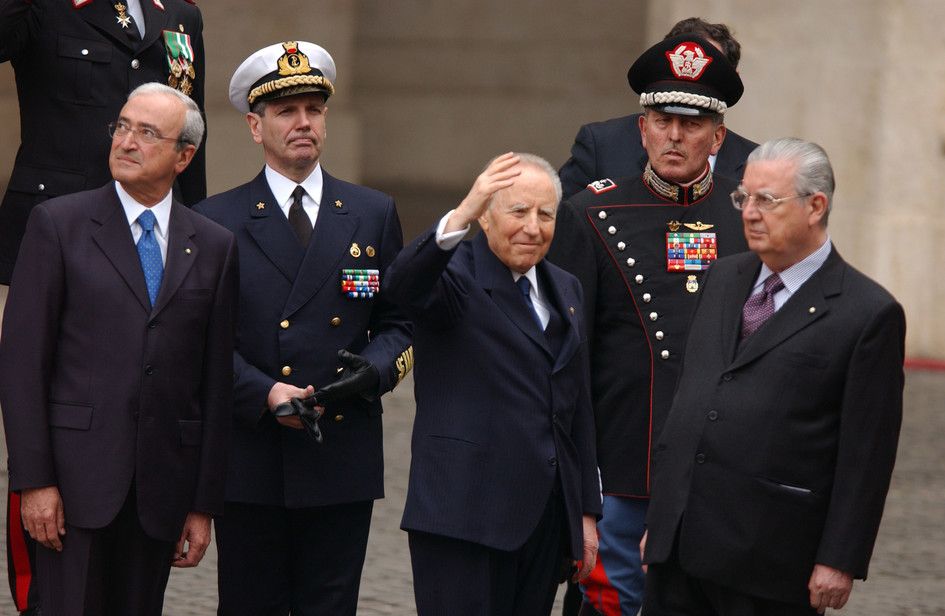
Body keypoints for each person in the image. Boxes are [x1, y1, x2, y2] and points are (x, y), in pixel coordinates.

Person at [0, 82, 236, 616]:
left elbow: (215, 383)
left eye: (147, 132)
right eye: (122, 126)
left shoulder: (215, 247)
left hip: (160, 493)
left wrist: (202, 505)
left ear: (184, 156)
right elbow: (21, 364)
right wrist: (34, 482)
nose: (126, 141)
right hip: (73, 488)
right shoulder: (58, 225)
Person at [641, 138, 905, 615]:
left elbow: (866, 454)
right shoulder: (722, 279)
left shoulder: (867, 314)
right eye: (744, 198)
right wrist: (662, 520)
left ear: (815, 206)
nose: (749, 212)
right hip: (679, 549)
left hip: (771, 560)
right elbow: (691, 400)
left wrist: (839, 559)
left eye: (767, 200)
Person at [193, 41, 412, 615]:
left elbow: (400, 320)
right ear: (254, 126)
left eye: (314, 109)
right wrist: (265, 391)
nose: (303, 123)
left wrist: (376, 371)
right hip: (254, 452)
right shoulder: (217, 220)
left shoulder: (371, 211)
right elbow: (202, 341)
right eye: (286, 111)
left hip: (341, 450)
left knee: (331, 605)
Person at [548, 34, 749, 616]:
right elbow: (568, 357)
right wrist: (581, 484)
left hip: (717, 470)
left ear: (718, 136)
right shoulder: (590, 214)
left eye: (692, 123)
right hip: (622, 465)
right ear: (642, 129)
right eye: (662, 120)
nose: (675, 136)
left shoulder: (748, 222)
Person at [385, 152, 601, 615]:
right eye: (518, 211)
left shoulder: (566, 288)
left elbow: (575, 406)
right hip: (464, 517)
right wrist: (460, 212)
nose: (533, 227)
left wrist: (584, 512)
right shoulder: (456, 275)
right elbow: (403, 286)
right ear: (485, 215)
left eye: (545, 215)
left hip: (543, 521)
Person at [0, 0, 207, 284]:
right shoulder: (41, 6)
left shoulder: (181, 13)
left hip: (153, 225)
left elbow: (191, 130)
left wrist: (195, 229)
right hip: (63, 223)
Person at [558, 18, 756, 199]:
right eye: (664, 120)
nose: (675, 135)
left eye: (709, 68)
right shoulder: (602, 146)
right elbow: (563, 221)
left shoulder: (755, 163)